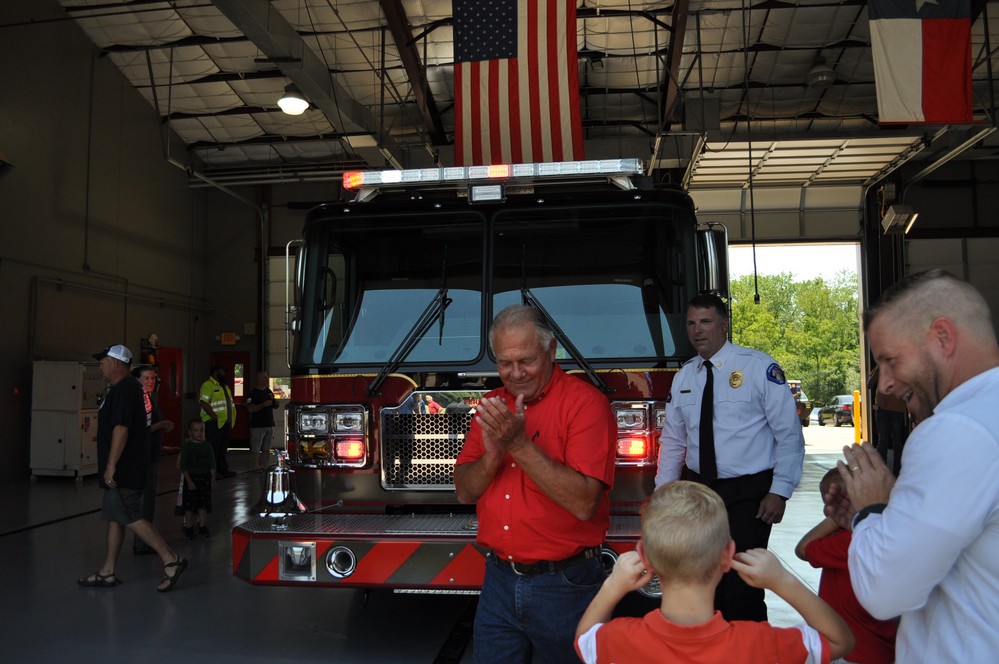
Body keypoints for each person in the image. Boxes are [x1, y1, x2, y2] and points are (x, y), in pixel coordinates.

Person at [824, 269, 999, 663]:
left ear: (942, 337)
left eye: (890, 360)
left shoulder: (957, 429)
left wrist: (872, 511)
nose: (883, 384)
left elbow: (883, 592)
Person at [454, 305, 616, 664]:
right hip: (498, 579)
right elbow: (465, 490)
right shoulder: (493, 405)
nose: (515, 373)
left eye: (526, 360)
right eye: (504, 362)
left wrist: (518, 445)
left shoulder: (586, 404)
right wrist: (493, 457)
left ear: (551, 349)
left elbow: (584, 503)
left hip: (565, 585)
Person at [575, 481, 853, 663]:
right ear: (727, 555)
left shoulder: (621, 640)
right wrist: (783, 581)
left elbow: (583, 641)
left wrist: (614, 585)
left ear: (645, 557)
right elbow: (840, 640)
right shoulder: (761, 644)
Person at [656, 293, 804, 621]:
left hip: (748, 494)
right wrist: (661, 496)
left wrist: (779, 490)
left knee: (743, 583)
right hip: (700, 495)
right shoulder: (684, 377)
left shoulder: (757, 367)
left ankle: (750, 649)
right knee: (703, 581)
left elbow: (789, 435)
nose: (697, 330)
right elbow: (673, 442)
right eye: (691, 323)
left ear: (724, 325)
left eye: (706, 322)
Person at [78, 344, 187, 593]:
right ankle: (107, 571)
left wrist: (111, 465)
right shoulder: (121, 389)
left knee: (130, 515)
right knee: (116, 517)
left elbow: (122, 428)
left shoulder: (126, 389)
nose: (101, 365)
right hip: (123, 466)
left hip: (124, 468)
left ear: (116, 363)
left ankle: (172, 559)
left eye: (103, 361)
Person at [796, 468, 896, 664]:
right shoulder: (883, 534)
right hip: (877, 648)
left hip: (852, 651)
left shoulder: (847, 542)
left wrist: (834, 519)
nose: (826, 511)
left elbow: (803, 549)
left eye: (831, 505)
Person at [130, 365, 174, 555]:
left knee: (149, 501)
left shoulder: (149, 399)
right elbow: (138, 431)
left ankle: (144, 541)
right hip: (143, 457)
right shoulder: (139, 401)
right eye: (146, 378)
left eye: (153, 378)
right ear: (137, 380)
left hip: (151, 454)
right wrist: (161, 424)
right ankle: (142, 543)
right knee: (145, 501)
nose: (150, 382)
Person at [177, 418, 216, 539]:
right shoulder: (187, 447)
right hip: (192, 478)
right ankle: (188, 526)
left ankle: (202, 526)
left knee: (203, 505)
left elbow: (212, 463)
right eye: (196, 430)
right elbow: (183, 466)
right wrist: (189, 481)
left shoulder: (208, 446)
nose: (199, 433)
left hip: (204, 478)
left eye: (202, 430)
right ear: (190, 432)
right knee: (189, 505)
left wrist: (213, 479)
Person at [866, 365, 908, 475]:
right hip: (887, 409)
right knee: (890, 442)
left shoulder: (898, 366)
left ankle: (887, 471)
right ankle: (892, 471)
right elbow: (869, 385)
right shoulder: (883, 366)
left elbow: (869, 385)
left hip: (891, 409)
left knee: (890, 441)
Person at [199, 364, 236, 478]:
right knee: (213, 449)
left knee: (222, 448)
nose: (225, 374)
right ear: (216, 372)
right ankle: (212, 473)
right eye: (223, 371)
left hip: (225, 422)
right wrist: (213, 416)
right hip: (213, 423)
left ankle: (222, 470)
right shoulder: (208, 385)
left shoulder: (224, 386)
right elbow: (203, 401)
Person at [246, 371, 277, 471]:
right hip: (258, 425)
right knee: (256, 447)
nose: (266, 379)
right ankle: (255, 466)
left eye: (267, 377)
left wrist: (276, 404)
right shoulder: (253, 393)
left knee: (267, 448)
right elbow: (250, 408)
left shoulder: (268, 391)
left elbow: (274, 404)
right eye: (264, 377)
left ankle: (266, 465)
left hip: (269, 424)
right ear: (259, 379)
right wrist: (263, 405)